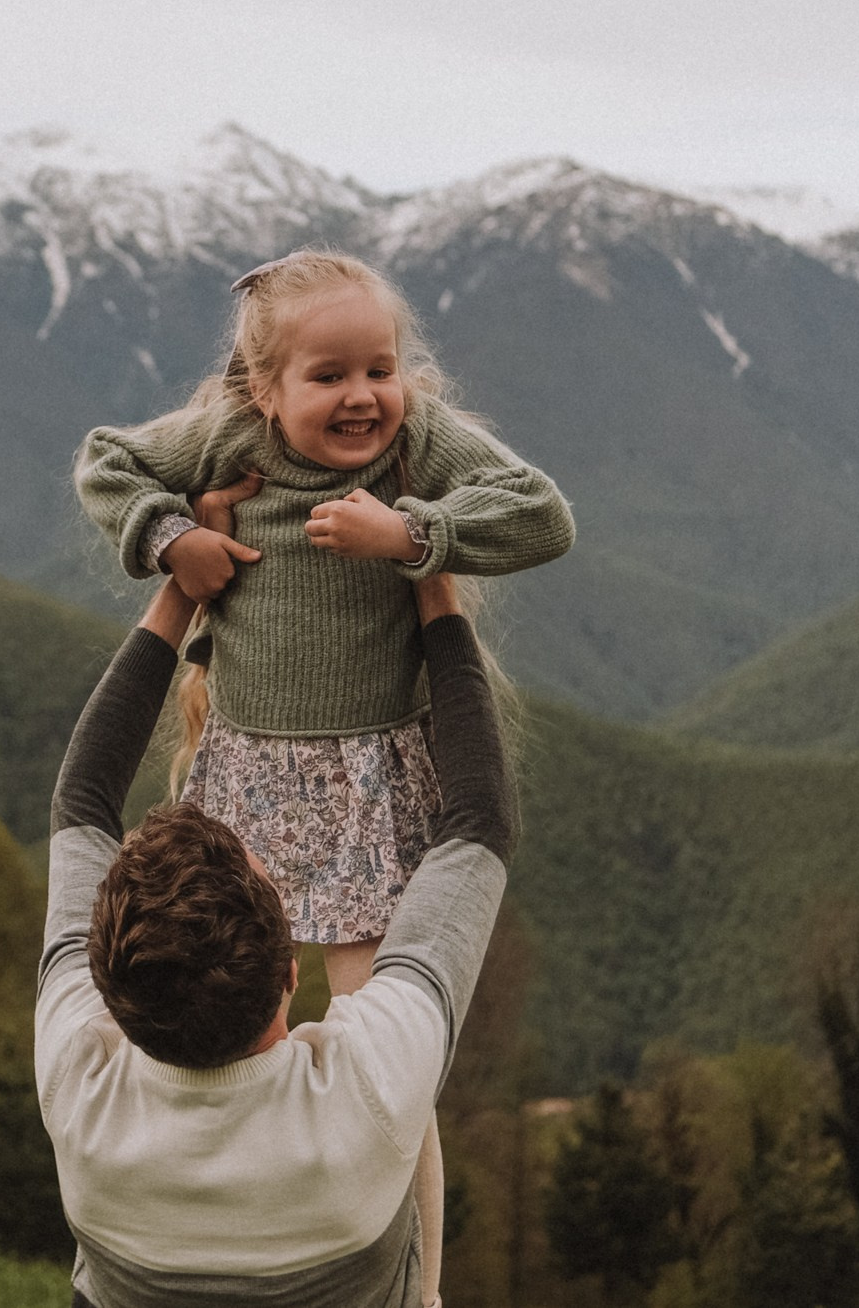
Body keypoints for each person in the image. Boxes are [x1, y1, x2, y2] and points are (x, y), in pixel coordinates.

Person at [73, 249, 569, 1298]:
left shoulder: (418, 444)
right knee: (195, 1022)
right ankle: (199, 1216)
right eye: (329, 374)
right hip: (244, 772)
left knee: (388, 1062)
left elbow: (540, 514)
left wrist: (413, 533)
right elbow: (105, 461)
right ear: (265, 388)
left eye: (379, 368)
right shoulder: (228, 433)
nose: (363, 396)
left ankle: (419, 1285)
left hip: (370, 780)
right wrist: (170, 540)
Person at [36, 561, 516, 1308]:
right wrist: (430, 577)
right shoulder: (368, 1092)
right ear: (292, 970)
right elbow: (479, 818)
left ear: (110, 988)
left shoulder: (80, 1085)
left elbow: (83, 798)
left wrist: (183, 581)